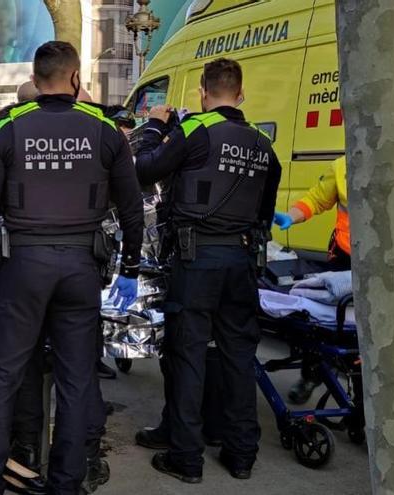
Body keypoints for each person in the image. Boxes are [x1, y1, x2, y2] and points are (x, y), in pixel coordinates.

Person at [0, 41, 144, 494]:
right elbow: (132, 207)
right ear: (76, 78)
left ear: (36, 78)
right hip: (82, 267)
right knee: (77, 380)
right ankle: (67, 483)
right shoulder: (103, 128)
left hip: (23, 264)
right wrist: (131, 268)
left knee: (3, 375)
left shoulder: (7, 126)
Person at [134, 58, 282, 483]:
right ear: (241, 94)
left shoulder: (196, 130)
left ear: (202, 92)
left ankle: (187, 457)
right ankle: (241, 455)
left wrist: (155, 128)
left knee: (188, 355)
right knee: (238, 357)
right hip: (241, 262)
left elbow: (146, 168)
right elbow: (264, 212)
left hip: (196, 259)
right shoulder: (260, 142)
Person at [273, 156, 350, 404]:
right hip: (344, 258)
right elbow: (317, 199)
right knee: (324, 325)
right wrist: (292, 216)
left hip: (389, 261)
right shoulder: (342, 166)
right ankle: (311, 376)